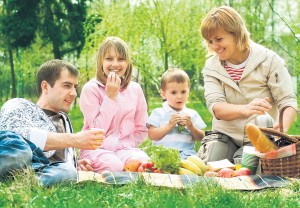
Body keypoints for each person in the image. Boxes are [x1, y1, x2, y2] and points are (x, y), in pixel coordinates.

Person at [197, 6, 298, 163]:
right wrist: (245, 109)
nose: (214, 46)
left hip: (260, 134)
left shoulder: (269, 60)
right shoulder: (211, 67)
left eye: (219, 39)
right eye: (210, 41)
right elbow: (216, 107)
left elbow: (288, 101)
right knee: (210, 163)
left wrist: (280, 129)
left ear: (236, 34)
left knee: (244, 164)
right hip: (224, 134)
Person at [0, 59, 104, 186]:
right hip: (17, 156)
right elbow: (15, 135)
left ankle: (22, 182)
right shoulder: (19, 104)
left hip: (36, 170)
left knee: (67, 172)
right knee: (20, 150)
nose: (74, 93)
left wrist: (75, 164)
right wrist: (75, 139)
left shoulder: (64, 121)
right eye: (67, 85)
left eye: (75, 87)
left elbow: (57, 164)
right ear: (45, 87)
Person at [79, 36, 149, 173]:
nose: (115, 64)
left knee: (142, 161)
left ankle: (123, 164)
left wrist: (128, 145)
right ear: (101, 62)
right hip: (96, 149)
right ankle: (108, 166)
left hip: (125, 149)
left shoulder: (135, 89)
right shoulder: (91, 89)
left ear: (127, 63)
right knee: (113, 166)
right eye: (109, 59)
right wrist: (110, 97)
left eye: (121, 59)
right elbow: (96, 130)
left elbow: (142, 127)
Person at [147, 68, 206, 159]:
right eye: (173, 92)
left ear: (188, 93)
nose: (179, 97)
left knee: (193, 165)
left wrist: (191, 126)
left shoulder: (192, 114)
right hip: (163, 154)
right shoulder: (158, 113)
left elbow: (201, 137)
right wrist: (169, 125)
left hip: (186, 154)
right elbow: (152, 135)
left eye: (183, 92)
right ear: (163, 94)